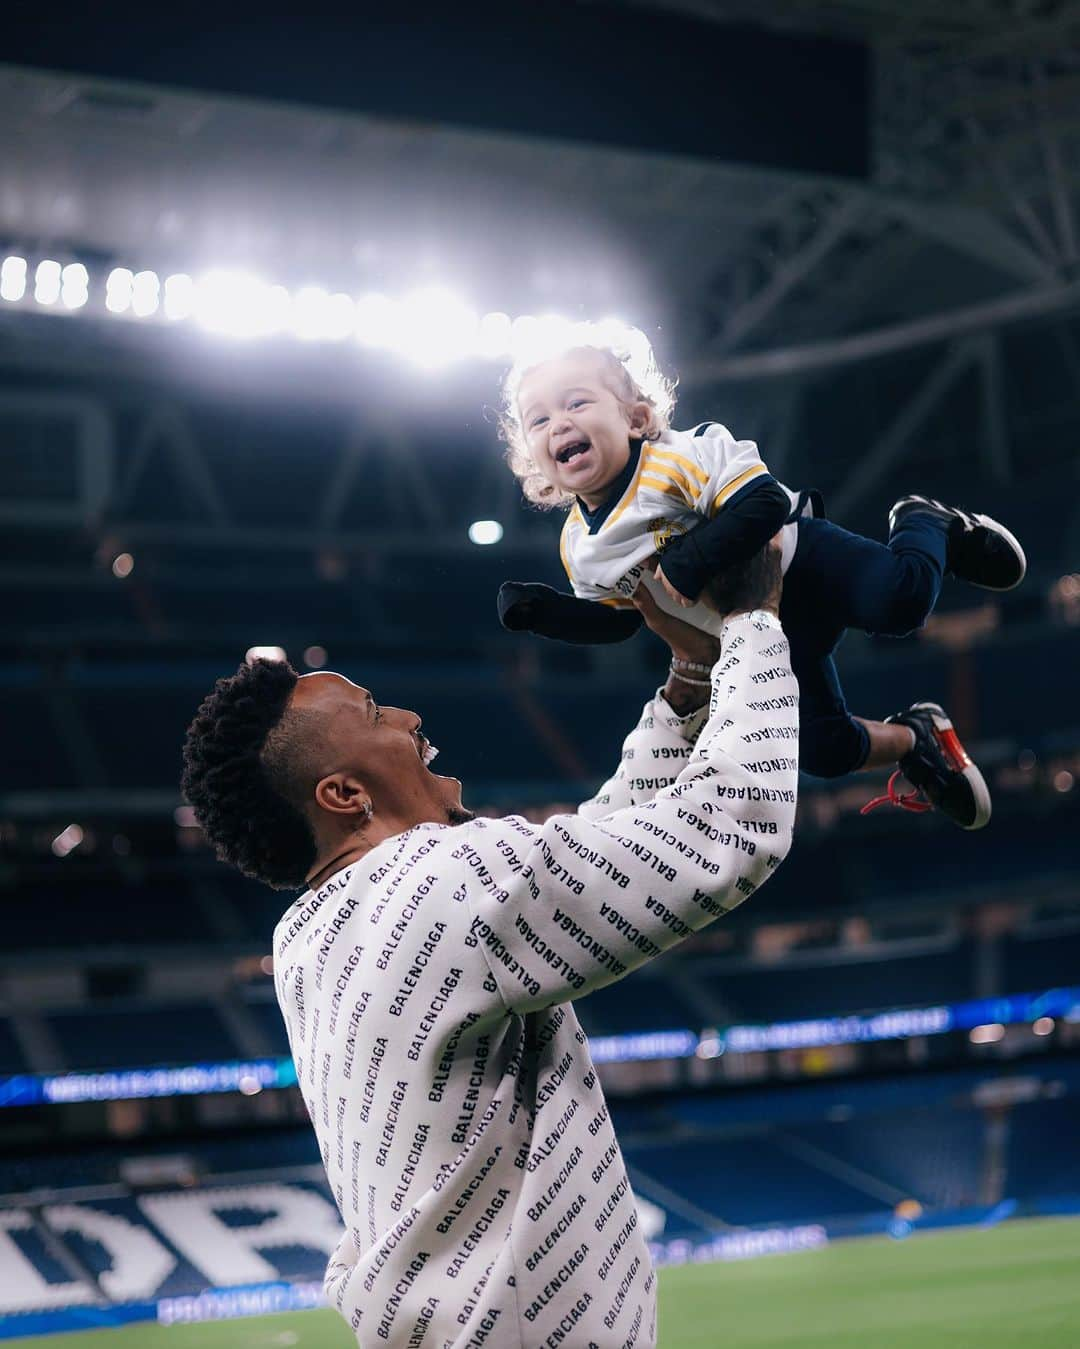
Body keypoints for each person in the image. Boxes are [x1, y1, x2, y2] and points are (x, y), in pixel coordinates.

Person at [180, 545, 796, 1349]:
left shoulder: (308, 935)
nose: (409, 720)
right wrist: (754, 623)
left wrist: (687, 688)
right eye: (375, 716)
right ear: (343, 793)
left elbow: (599, 856)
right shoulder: (440, 881)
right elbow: (730, 829)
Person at [496, 333, 1027, 830]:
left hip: (800, 560)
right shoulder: (578, 545)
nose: (558, 424)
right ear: (534, 459)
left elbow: (764, 502)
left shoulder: (675, 458)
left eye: (576, 403)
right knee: (821, 750)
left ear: (636, 418)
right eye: (538, 420)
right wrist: (547, 614)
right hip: (759, 629)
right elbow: (619, 620)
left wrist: (690, 561)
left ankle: (925, 522)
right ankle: (917, 739)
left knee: (902, 604)